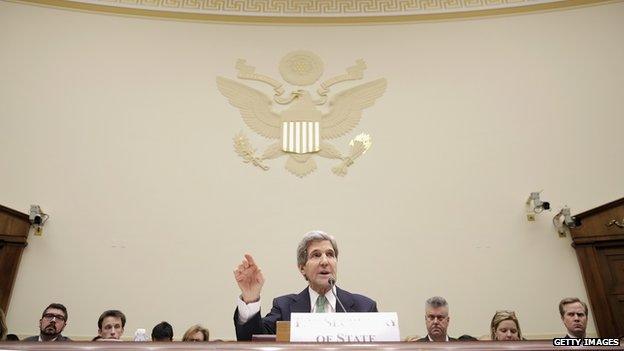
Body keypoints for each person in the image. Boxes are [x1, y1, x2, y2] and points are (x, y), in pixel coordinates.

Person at [233, 230, 378, 341]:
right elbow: (252, 341)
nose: (325, 261)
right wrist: (250, 298)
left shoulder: (365, 308)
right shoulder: (284, 307)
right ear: (302, 267)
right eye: (316, 255)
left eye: (330, 254)